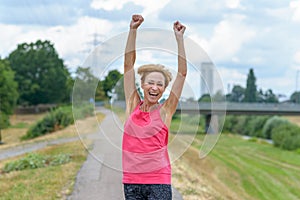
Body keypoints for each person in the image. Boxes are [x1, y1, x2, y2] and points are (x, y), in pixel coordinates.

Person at [122, 14, 187, 200]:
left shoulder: (165, 111)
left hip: (158, 181)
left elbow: (182, 74)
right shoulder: (132, 105)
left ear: (164, 89)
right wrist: (132, 30)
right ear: (142, 84)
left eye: (160, 85)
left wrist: (179, 39)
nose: (155, 87)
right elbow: (128, 66)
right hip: (132, 181)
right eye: (151, 82)